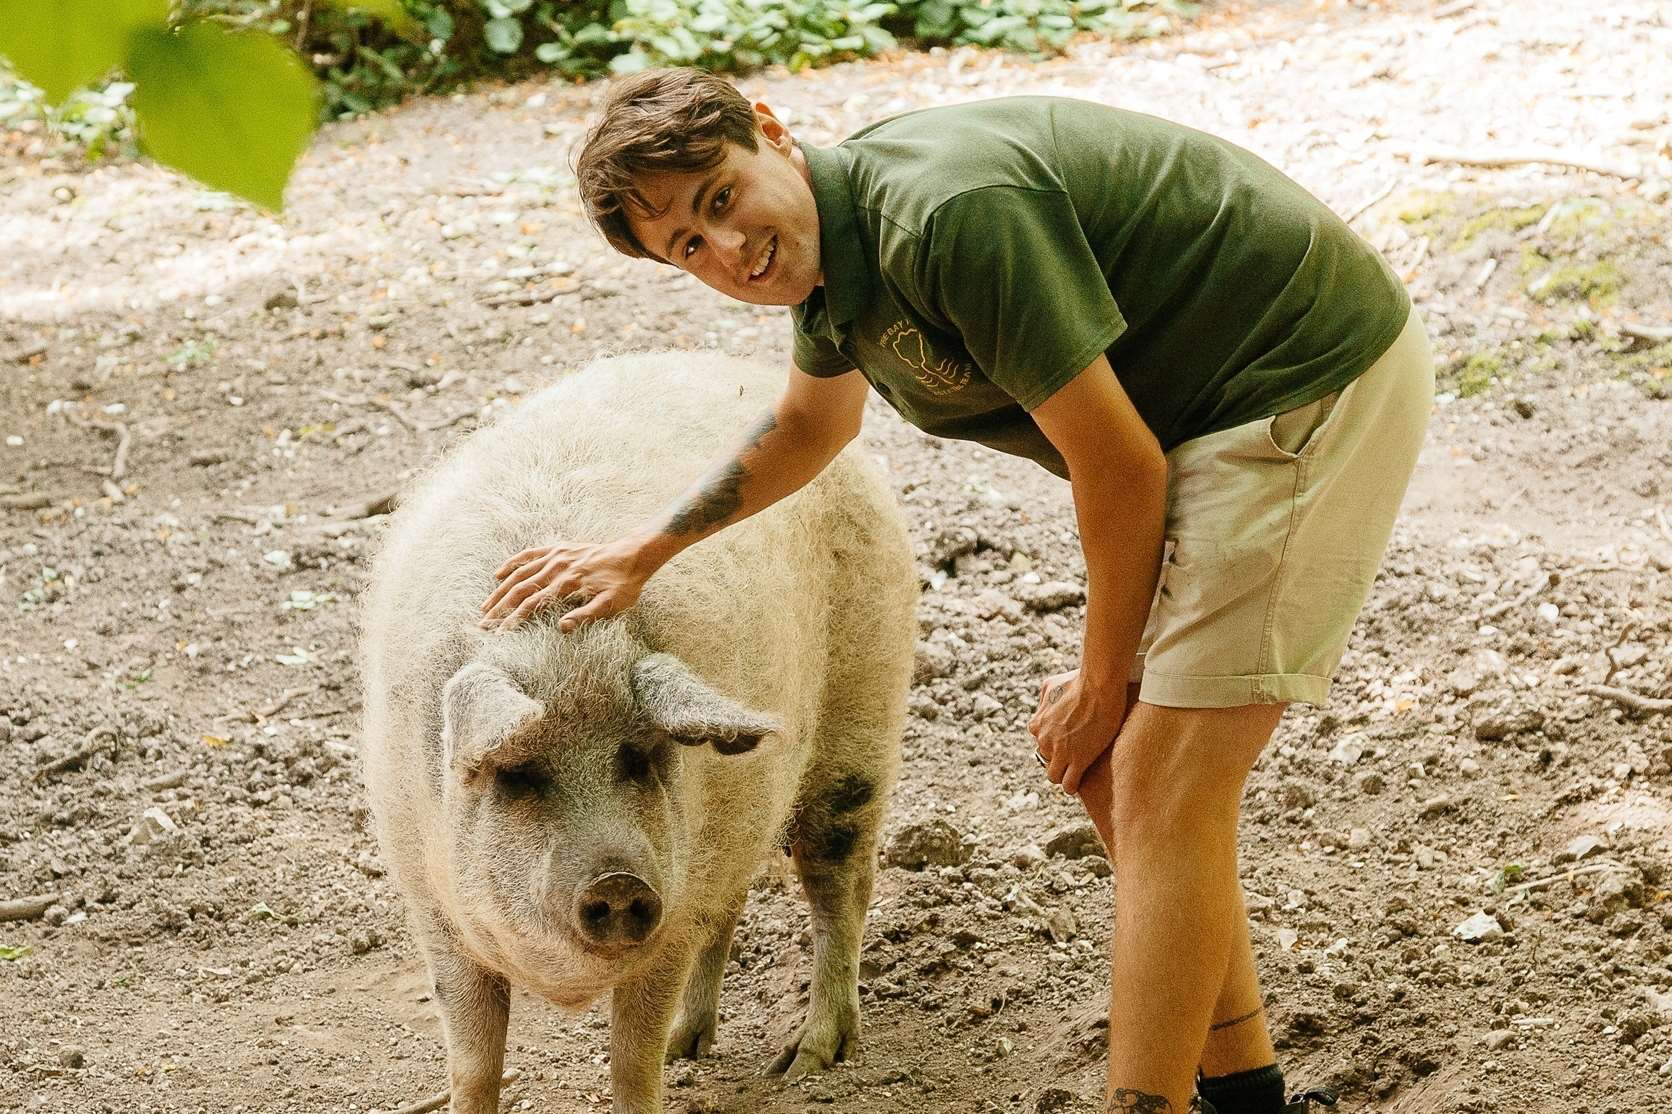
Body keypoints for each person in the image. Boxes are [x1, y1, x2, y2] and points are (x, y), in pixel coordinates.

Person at [478, 67, 1432, 1114]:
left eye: (718, 200)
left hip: (1296, 385)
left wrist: (1101, 678)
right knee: (1126, 778)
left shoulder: (942, 217)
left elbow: (1122, 470)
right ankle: (1245, 1094)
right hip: (1200, 426)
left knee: (1159, 780)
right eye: (687, 251)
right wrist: (642, 551)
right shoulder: (832, 269)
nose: (727, 251)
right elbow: (811, 427)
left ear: (771, 132)